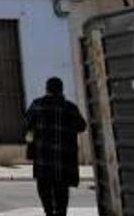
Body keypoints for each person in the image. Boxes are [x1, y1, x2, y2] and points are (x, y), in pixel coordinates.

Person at [24, 76, 87, 216]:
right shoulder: (71, 108)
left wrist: (29, 144)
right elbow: (82, 127)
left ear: (47, 89)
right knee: (62, 195)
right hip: (63, 162)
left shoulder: (37, 105)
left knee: (44, 190)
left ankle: (49, 212)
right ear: (61, 90)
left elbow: (27, 128)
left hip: (43, 159)